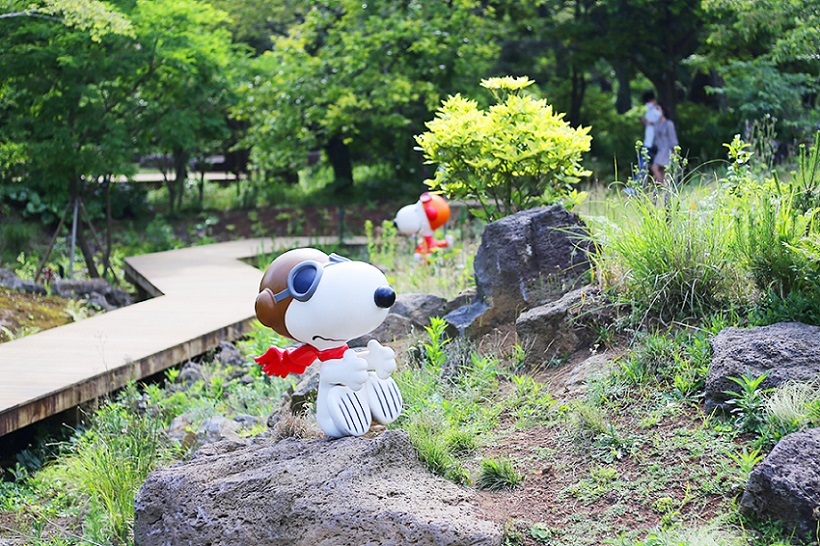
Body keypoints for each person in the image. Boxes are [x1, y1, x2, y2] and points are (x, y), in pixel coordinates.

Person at [650, 103, 679, 185]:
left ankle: (663, 186)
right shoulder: (656, 125)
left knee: (655, 167)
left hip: (667, 150)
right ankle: (663, 189)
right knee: (661, 171)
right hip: (660, 150)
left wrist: (674, 151)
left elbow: (673, 138)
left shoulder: (668, 123)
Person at [637, 91, 662, 179]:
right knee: (652, 167)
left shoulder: (656, 111)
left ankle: (637, 184)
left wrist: (646, 121)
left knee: (644, 166)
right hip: (648, 142)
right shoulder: (649, 111)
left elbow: (657, 122)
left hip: (652, 143)